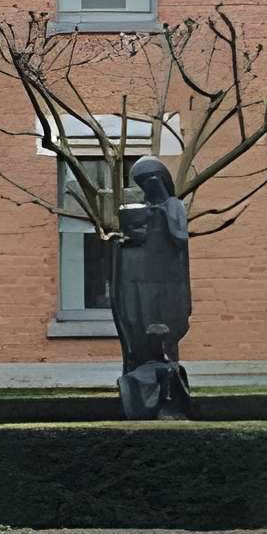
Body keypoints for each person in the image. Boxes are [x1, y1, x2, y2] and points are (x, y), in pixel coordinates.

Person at [107, 155, 195, 420]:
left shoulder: (174, 206)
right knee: (141, 331)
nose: (146, 188)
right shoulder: (146, 208)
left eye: (148, 182)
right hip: (143, 283)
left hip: (167, 285)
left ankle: (169, 401)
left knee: (164, 339)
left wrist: (158, 215)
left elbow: (179, 237)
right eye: (141, 183)